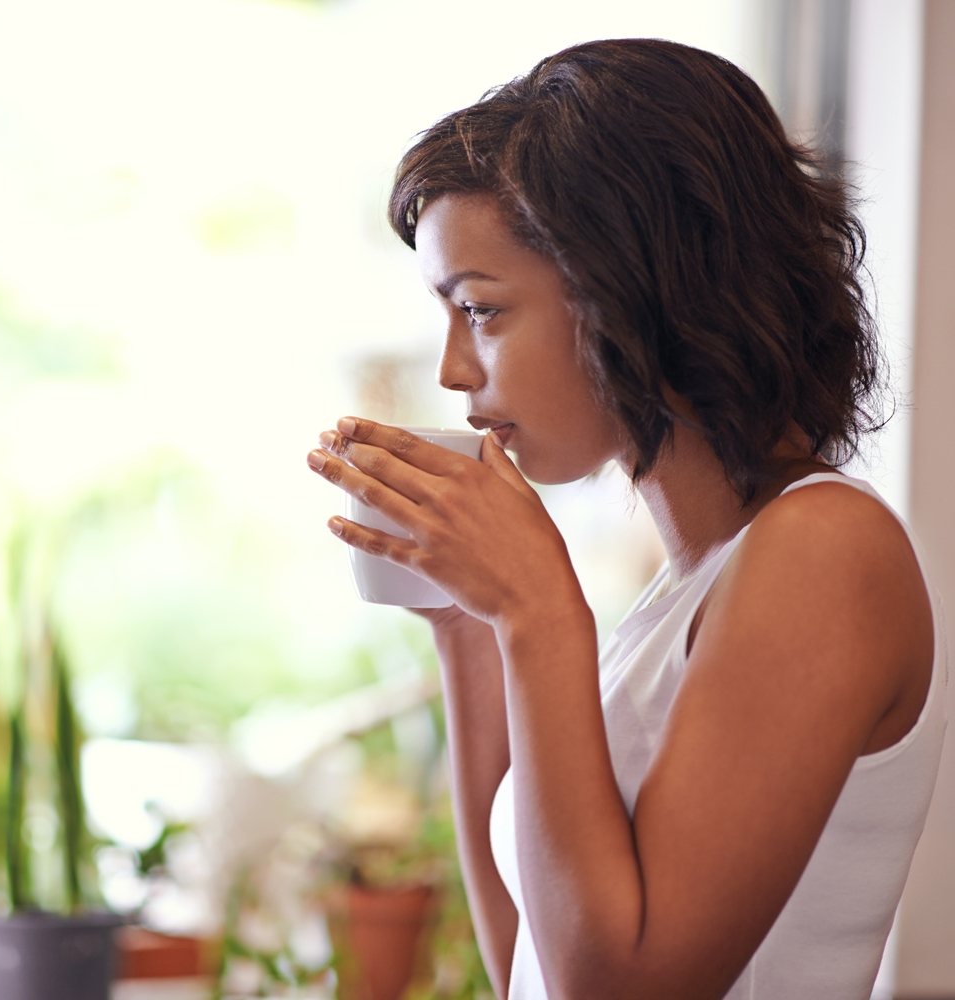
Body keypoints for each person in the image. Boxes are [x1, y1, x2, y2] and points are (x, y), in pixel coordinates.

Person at [306, 39, 946, 1000]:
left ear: (629, 290)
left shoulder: (825, 551)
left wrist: (537, 611)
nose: (451, 370)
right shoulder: (687, 587)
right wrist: (469, 629)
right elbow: (533, 955)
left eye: (479, 310)